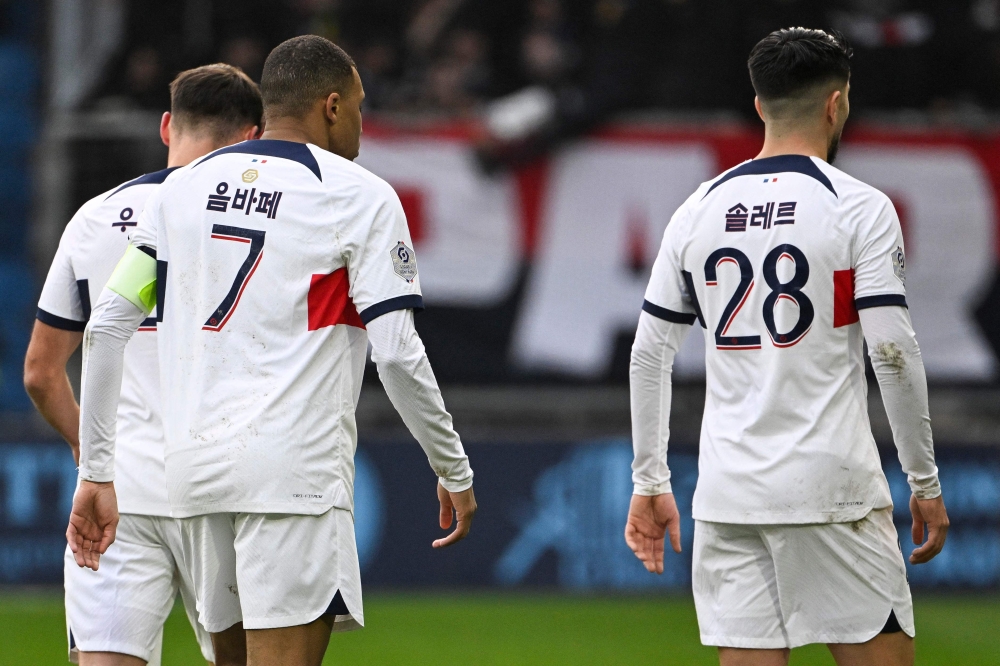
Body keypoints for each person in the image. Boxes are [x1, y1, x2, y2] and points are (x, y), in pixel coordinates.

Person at [69, 35, 477, 666]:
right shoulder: (358, 194)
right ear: (332, 105)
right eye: (362, 108)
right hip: (292, 479)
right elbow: (395, 353)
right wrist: (452, 468)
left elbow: (106, 328)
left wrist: (97, 470)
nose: (364, 127)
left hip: (194, 480)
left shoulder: (182, 190)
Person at [625, 28, 948, 666]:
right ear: (836, 105)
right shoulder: (860, 208)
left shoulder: (699, 209)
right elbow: (892, 351)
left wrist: (648, 479)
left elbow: (649, 355)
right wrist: (924, 480)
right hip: (832, 489)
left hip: (728, 493)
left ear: (759, 107)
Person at [24, 64, 263, 666]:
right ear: (253, 138)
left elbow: (40, 371)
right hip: (221, 486)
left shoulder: (95, 216)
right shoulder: (261, 221)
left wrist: (94, 451)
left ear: (165, 126)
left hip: (120, 485)